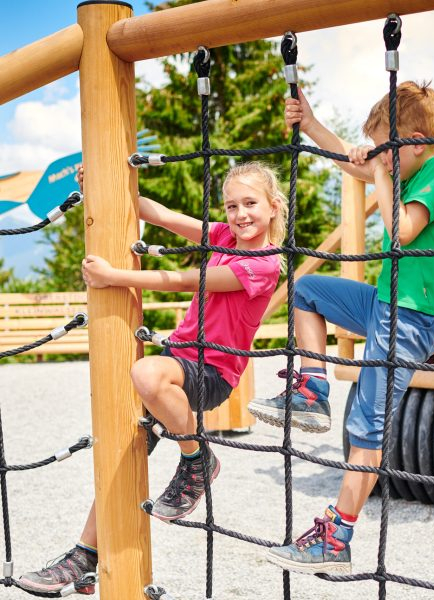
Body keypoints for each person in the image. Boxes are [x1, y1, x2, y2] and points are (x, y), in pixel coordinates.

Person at [19, 161, 288, 594]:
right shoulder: (223, 236)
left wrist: (115, 277)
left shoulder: (265, 263)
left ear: (274, 207)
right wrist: (104, 189)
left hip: (211, 373)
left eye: (250, 204)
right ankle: (83, 558)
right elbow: (157, 213)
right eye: (231, 204)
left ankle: (197, 459)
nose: (240, 214)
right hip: (178, 364)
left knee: (145, 373)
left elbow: (186, 280)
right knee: (122, 460)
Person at [248, 82, 434, 574]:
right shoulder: (408, 169)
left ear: (415, 142)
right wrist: (311, 126)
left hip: (412, 319)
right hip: (384, 304)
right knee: (308, 291)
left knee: (365, 425)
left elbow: (403, 231)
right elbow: (355, 166)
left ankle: (336, 536)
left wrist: (378, 171)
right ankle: (312, 387)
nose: (384, 164)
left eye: (390, 153)